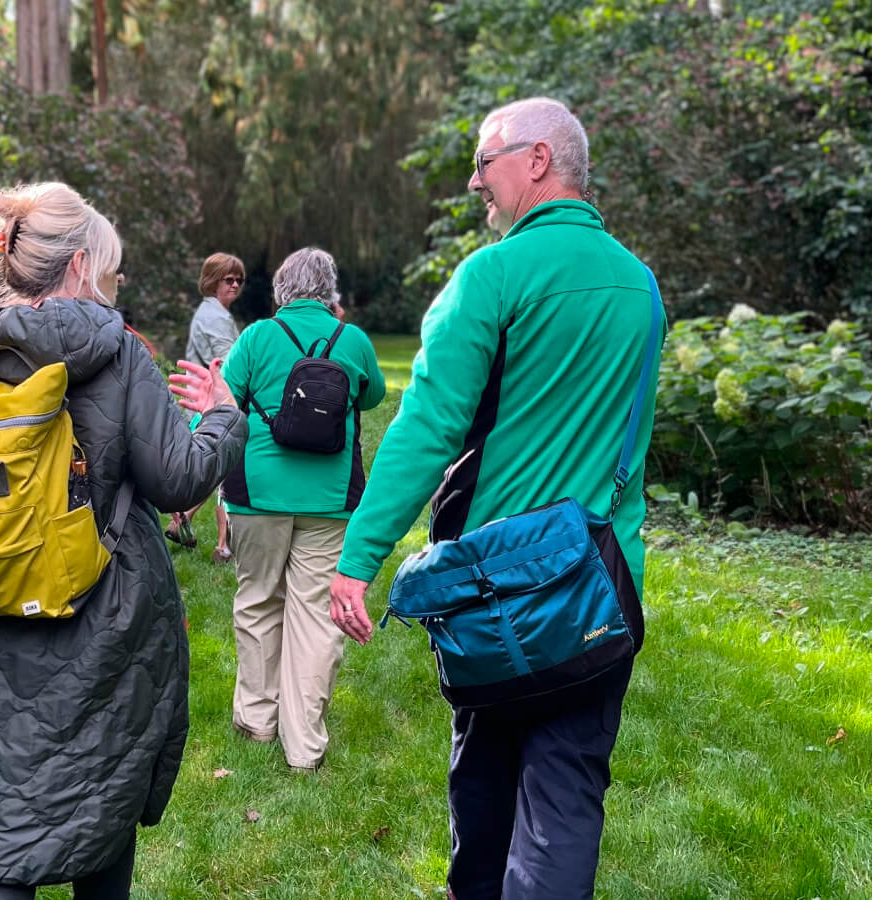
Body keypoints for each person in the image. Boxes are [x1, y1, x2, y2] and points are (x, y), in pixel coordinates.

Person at [328, 98, 663, 898]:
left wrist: (357, 559)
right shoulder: (641, 286)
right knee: (567, 802)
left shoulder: (492, 274)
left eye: (486, 161)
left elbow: (427, 428)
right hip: (601, 593)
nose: (477, 180)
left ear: (538, 160)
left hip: (500, 595)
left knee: (483, 799)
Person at [0, 182, 247, 899]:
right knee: (100, 801)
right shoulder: (118, 354)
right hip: (104, 609)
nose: (111, 280)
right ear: (78, 266)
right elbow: (177, 480)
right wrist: (224, 418)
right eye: (108, 266)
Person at [217, 247, 385, 772]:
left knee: (258, 600)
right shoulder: (352, 341)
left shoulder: (256, 338)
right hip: (331, 499)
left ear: (281, 290)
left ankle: (256, 719)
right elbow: (373, 396)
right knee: (315, 617)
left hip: (257, 496)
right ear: (329, 290)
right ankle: (305, 746)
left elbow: (227, 400)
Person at [167, 252, 245, 562]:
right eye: (229, 279)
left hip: (209, 402)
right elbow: (227, 363)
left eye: (239, 279)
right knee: (225, 466)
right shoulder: (213, 316)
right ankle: (223, 545)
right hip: (211, 404)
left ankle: (182, 519)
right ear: (213, 282)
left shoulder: (217, 313)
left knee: (218, 467)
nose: (235, 284)